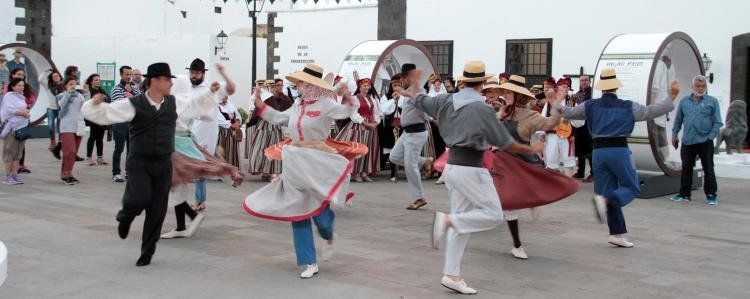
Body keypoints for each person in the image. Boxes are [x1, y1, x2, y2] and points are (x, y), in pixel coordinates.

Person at [395, 61, 543, 294]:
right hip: (472, 169)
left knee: (462, 223)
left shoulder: (445, 101)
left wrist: (411, 86)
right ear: (483, 83)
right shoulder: (482, 109)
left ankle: (451, 274)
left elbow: (420, 100)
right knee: (493, 215)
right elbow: (505, 142)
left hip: (452, 168)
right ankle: (445, 222)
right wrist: (531, 150)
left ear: (463, 81)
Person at [82, 62, 217, 266]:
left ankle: (147, 251)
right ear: (155, 81)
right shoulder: (133, 104)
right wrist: (93, 104)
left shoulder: (174, 102)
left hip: (163, 162)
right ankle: (125, 217)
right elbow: (105, 114)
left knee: (157, 209)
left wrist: (211, 93)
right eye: (167, 79)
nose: (171, 83)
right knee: (139, 197)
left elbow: (195, 104)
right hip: (140, 161)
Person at [243, 63, 365, 279]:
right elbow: (280, 118)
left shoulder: (326, 103)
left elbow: (347, 111)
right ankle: (309, 261)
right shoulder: (298, 104)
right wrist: (259, 103)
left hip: (317, 160)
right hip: (294, 159)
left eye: (302, 83)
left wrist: (347, 95)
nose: (298, 86)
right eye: (298, 83)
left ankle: (328, 232)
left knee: (319, 212)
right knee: (297, 210)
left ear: (312, 85)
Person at [560, 68, 679, 248]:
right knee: (631, 187)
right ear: (615, 87)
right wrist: (671, 98)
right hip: (618, 150)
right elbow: (650, 111)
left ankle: (616, 233)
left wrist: (555, 100)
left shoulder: (590, 105)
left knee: (608, 190)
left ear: (601, 87)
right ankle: (606, 203)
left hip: (598, 153)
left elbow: (567, 112)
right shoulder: (627, 106)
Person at [160, 75, 244, 239]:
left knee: (174, 185)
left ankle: (191, 217)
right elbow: (208, 116)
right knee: (176, 186)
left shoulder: (174, 102)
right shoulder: (186, 101)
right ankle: (182, 226)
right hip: (184, 144)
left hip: (175, 147)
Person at [188, 59, 236, 212]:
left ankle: (200, 200)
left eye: (196, 73)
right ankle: (200, 199)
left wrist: (223, 72)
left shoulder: (212, 86)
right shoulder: (188, 88)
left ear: (203, 73)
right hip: (190, 131)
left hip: (206, 132)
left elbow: (231, 89)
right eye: (192, 72)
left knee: (200, 166)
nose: (194, 75)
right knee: (197, 167)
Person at [387, 63, 434, 210]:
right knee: (394, 157)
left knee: (410, 165)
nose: (402, 81)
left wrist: (401, 91)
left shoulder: (419, 91)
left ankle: (419, 197)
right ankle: (425, 161)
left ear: (408, 77)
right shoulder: (410, 90)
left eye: (403, 78)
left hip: (416, 133)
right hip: (407, 132)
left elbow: (424, 109)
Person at [670, 75, 722, 205]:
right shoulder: (684, 101)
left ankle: (711, 195)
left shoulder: (712, 101)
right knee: (686, 168)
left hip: (705, 141)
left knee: (708, 168)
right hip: (688, 140)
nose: (700, 88)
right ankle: (684, 194)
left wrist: (711, 136)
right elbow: (678, 120)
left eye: (703, 86)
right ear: (692, 87)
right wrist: (674, 135)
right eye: (697, 86)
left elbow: (718, 122)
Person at [247, 78, 293, 181]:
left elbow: (287, 112)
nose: (278, 87)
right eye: (276, 85)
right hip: (264, 126)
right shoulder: (266, 96)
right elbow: (257, 108)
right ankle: (264, 171)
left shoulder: (284, 98)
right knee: (261, 148)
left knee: (274, 148)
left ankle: (272, 171)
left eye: (280, 85)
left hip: (276, 127)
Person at [336, 78, 381, 182]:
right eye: (364, 86)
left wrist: (375, 123)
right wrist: (365, 123)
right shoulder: (355, 98)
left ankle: (364, 172)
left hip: (370, 125)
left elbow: (376, 112)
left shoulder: (372, 99)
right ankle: (355, 172)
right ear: (359, 87)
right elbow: (353, 114)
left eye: (368, 85)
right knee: (358, 148)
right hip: (359, 126)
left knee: (369, 148)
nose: (366, 87)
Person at [109, 66, 141, 182]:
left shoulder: (135, 89)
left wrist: (130, 92)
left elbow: (140, 103)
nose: (128, 77)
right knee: (119, 148)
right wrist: (129, 95)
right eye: (126, 74)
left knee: (131, 149)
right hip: (120, 122)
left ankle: (129, 171)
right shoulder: (115, 89)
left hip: (132, 123)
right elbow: (120, 105)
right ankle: (116, 172)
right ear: (121, 75)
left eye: (129, 74)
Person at [3, 68, 36, 174]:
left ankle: (18, 169)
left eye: (22, 74)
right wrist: (22, 111)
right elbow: (9, 108)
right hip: (12, 124)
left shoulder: (24, 91)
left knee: (20, 147)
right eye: (18, 74)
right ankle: (9, 174)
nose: (20, 76)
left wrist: (25, 110)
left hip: (23, 122)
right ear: (13, 75)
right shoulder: (8, 91)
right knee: (10, 148)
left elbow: (31, 99)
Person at [541, 77, 576, 174]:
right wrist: (542, 133)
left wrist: (569, 120)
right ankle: (552, 182)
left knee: (569, 162)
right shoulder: (549, 103)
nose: (565, 89)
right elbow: (543, 118)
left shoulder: (572, 102)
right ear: (557, 89)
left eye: (567, 87)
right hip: (552, 135)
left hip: (567, 135)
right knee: (551, 159)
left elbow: (579, 121)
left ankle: (568, 182)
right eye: (563, 87)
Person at [56, 77, 86, 185]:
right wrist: (68, 92)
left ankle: (69, 173)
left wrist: (85, 92)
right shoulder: (61, 95)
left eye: (75, 83)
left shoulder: (80, 96)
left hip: (78, 125)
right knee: (70, 151)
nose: (73, 85)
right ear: (65, 85)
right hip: (66, 126)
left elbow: (85, 107)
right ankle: (65, 174)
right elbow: (61, 104)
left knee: (74, 152)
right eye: (70, 83)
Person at [1, 78, 31, 185]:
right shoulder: (9, 96)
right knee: (9, 152)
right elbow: (9, 110)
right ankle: (8, 176)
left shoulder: (21, 97)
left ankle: (14, 174)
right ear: (13, 86)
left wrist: (26, 111)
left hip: (21, 127)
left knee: (18, 152)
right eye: (19, 85)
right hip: (11, 128)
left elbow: (24, 109)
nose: (21, 87)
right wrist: (23, 113)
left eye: (22, 85)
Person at [379, 74, 403, 183]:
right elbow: (384, 110)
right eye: (394, 85)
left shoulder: (405, 96)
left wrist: (400, 98)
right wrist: (393, 100)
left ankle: (404, 171)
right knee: (393, 150)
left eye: (398, 85)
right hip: (391, 126)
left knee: (403, 149)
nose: (396, 87)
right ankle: (393, 173)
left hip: (403, 125)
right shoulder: (386, 97)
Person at [83, 74, 110, 166]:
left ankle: (100, 157)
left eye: (99, 80)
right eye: (95, 80)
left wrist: (104, 98)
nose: (98, 81)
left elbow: (108, 98)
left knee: (100, 137)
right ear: (91, 81)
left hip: (101, 116)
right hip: (93, 117)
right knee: (93, 136)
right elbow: (88, 102)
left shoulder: (101, 89)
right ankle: (89, 157)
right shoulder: (89, 91)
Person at [571, 75, 593, 182]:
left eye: (585, 80)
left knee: (589, 149)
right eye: (581, 80)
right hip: (577, 124)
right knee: (579, 148)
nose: (583, 82)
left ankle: (593, 173)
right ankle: (580, 172)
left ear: (589, 81)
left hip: (588, 124)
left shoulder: (592, 93)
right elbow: (570, 106)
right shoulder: (576, 94)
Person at [39, 69, 64, 152]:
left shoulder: (64, 86)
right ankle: (52, 141)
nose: (55, 77)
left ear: (60, 77)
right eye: (53, 76)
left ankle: (60, 143)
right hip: (51, 108)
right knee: (50, 125)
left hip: (61, 109)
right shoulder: (48, 86)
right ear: (51, 78)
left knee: (60, 127)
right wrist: (45, 71)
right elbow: (40, 79)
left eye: (57, 76)